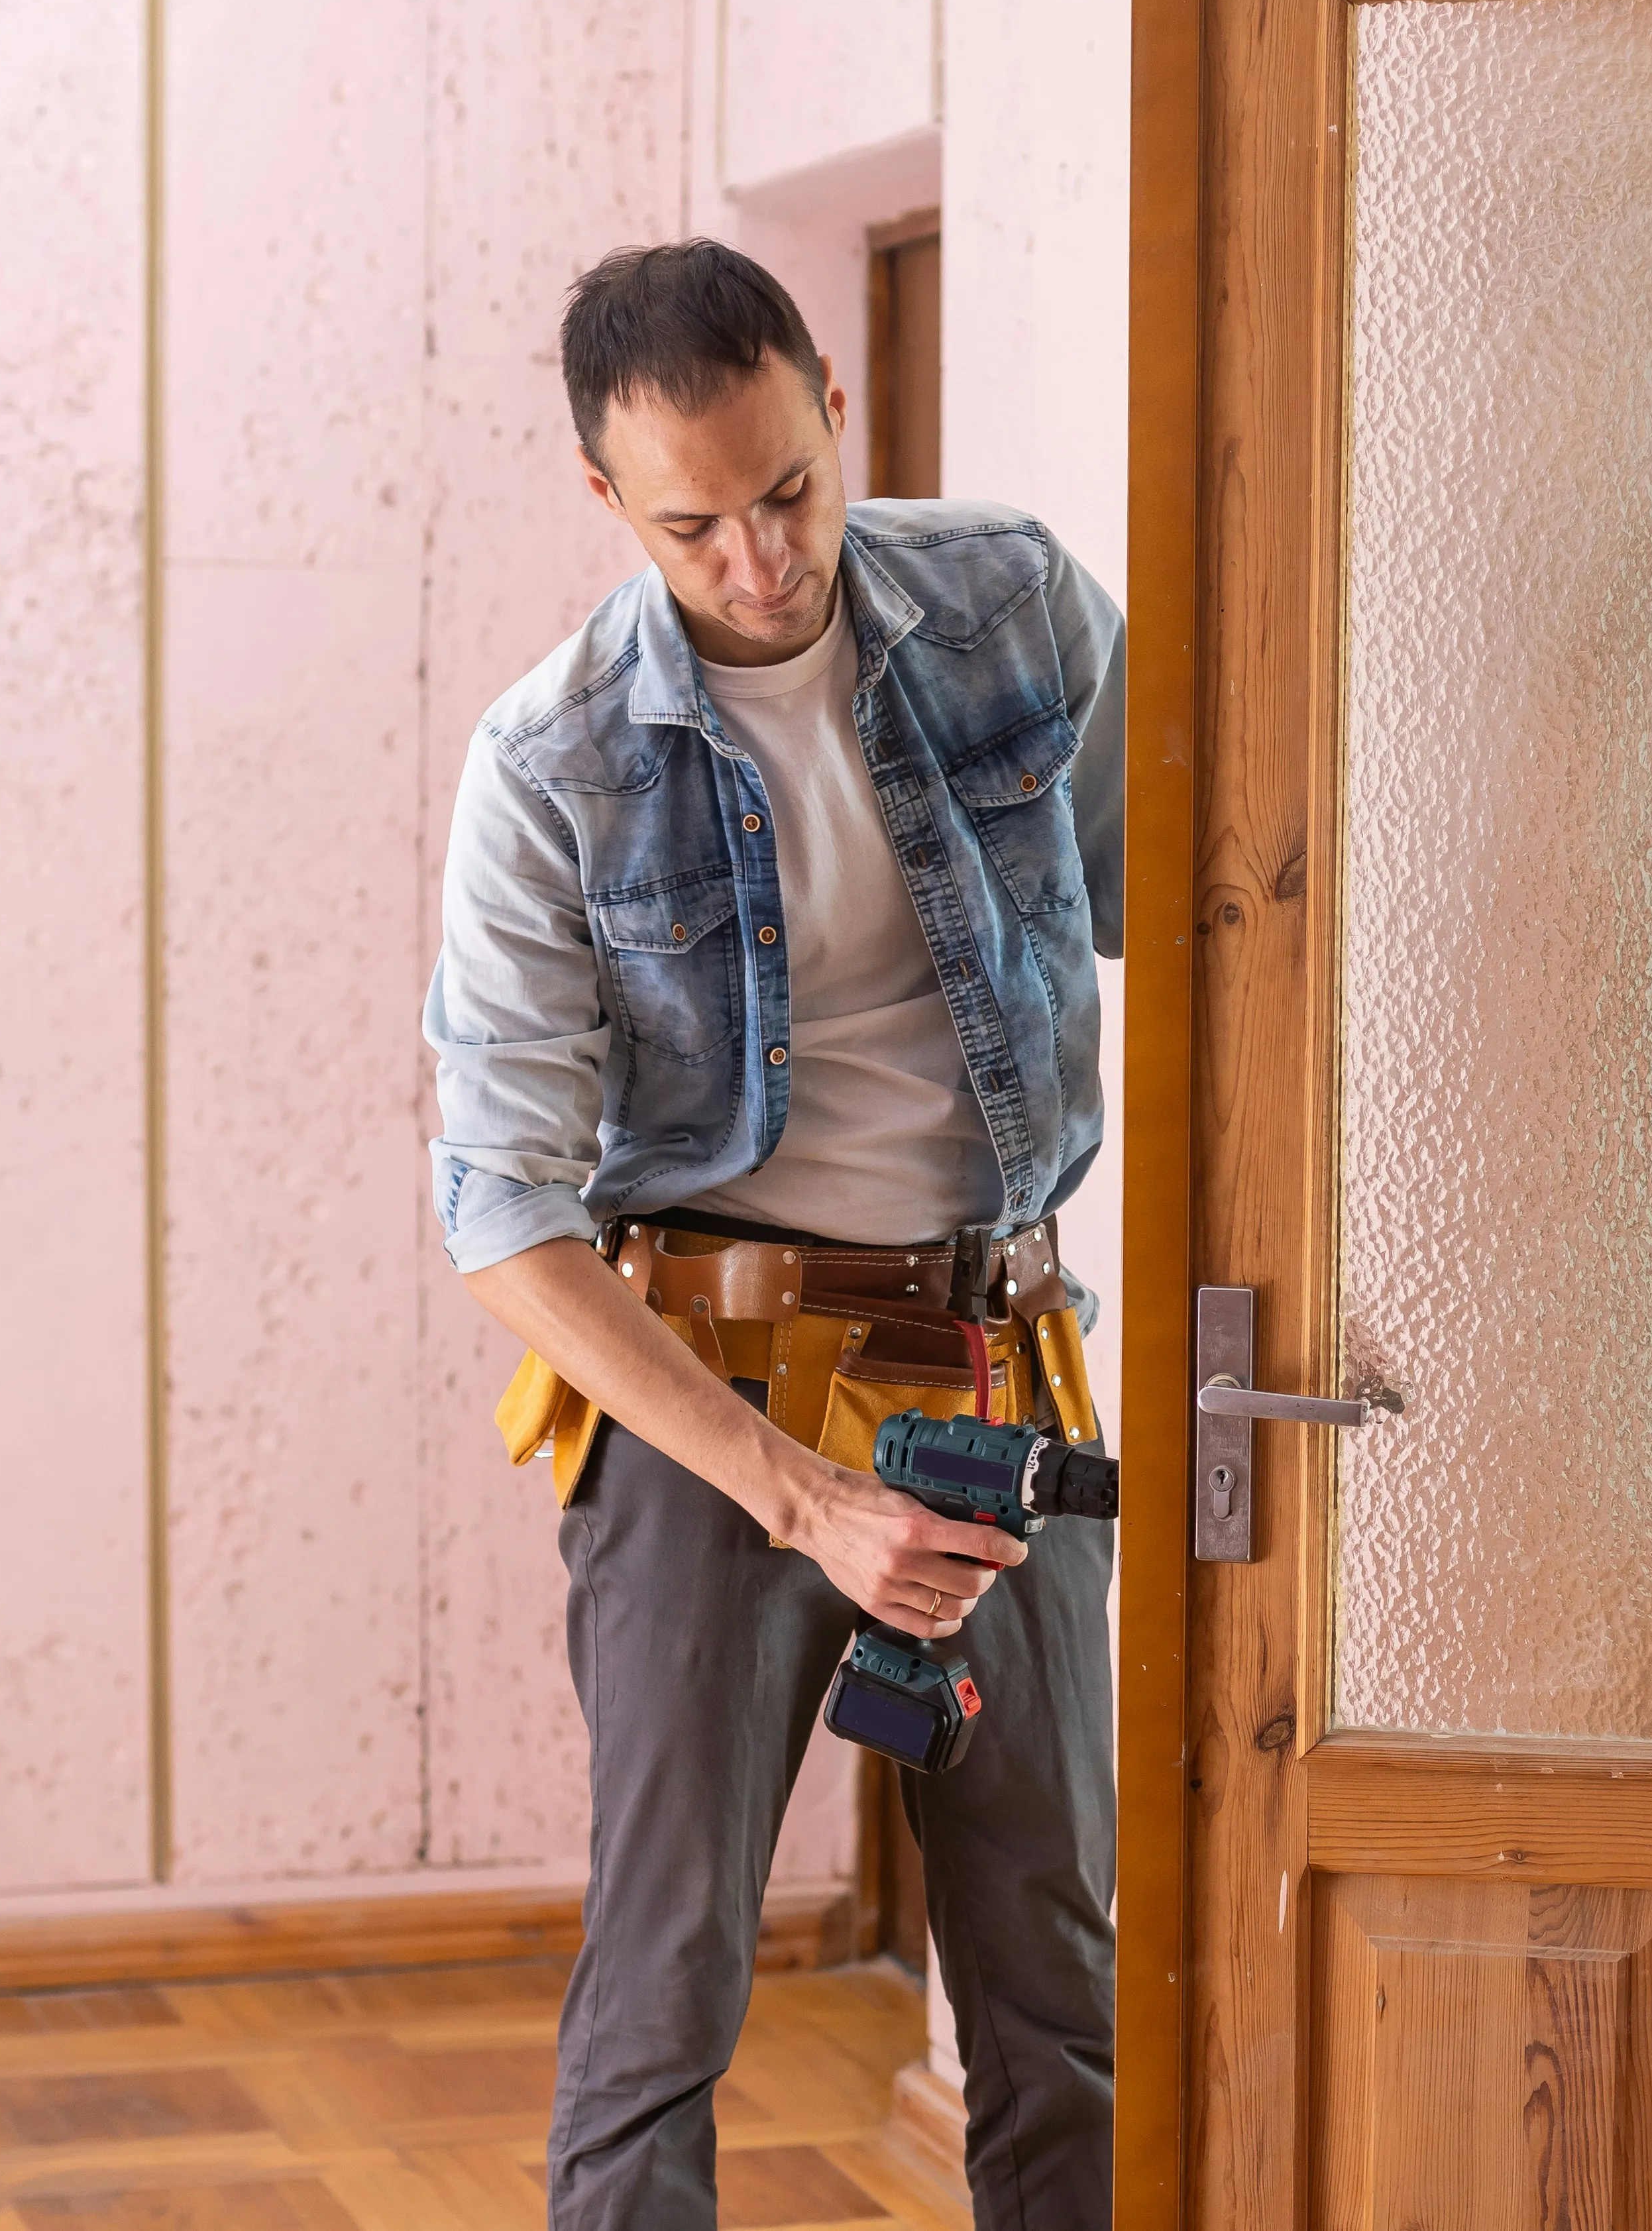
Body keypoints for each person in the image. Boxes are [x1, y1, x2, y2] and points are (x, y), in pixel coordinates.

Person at [422, 237, 1124, 2231]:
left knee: (1058, 1988)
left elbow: (1222, 896)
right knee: (665, 1996)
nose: (753, 561)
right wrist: (798, 1500)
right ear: (604, 502)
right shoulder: (549, 764)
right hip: (709, 1410)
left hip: (996, 1367)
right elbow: (504, 1218)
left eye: (787, 492)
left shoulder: (1010, 601)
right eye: (691, 524)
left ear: (834, 395)